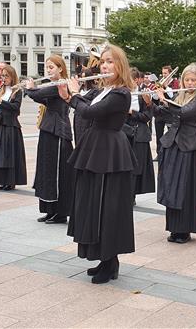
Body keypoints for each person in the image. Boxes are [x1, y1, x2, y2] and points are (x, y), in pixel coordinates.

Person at [59, 45, 136, 284]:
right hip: (96, 148)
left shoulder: (121, 93)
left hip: (109, 151)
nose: (104, 66)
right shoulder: (104, 90)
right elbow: (84, 104)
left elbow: (89, 112)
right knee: (94, 203)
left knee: (108, 205)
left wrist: (73, 95)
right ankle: (106, 261)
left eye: (110, 61)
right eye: (102, 61)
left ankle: (110, 259)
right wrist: (68, 93)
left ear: (120, 65)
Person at [154, 63, 196, 243]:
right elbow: (165, 115)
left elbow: (183, 113)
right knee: (172, 186)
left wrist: (163, 100)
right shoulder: (178, 96)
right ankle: (174, 228)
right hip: (174, 145)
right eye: (187, 79)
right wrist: (151, 102)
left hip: (190, 145)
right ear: (182, 80)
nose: (190, 82)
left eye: (193, 80)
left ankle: (185, 229)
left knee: (185, 188)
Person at [26, 54, 74, 224]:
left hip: (59, 131)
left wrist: (30, 87)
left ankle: (60, 212)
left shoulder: (61, 84)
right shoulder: (52, 84)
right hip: (48, 129)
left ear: (60, 68)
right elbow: (42, 97)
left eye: (51, 67)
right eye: (47, 67)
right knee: (46, 170)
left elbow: (37, 95)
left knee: (57, 173)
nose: (48, 70)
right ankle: (49, 210)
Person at [0, 65, 27, 191]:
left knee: (8, 156)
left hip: (10, 127)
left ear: (12, 76)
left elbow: (15, 108)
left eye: (6, 76)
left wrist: (1, 101)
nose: (3, 78)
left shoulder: (17, 91)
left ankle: (10, 182)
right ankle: (0, 181)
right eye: (2, 76)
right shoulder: (0, 89)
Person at [126, 70, 155, 200]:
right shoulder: (123, 93)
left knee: (137, 167)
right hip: (125, 133)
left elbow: (147, 116)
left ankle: (131, 196)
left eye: (131, 80)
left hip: (140, 135)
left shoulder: (144, 94)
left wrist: (132, 113)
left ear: (137, 80)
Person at [153, 65, 180, 156]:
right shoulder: (160, 82)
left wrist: (166, 87)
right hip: (160, 111)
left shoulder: (175, 82)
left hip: (170, 112)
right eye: (163, 73)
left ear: (170, 73)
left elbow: (174, 96)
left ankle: (171, 153)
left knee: (171, 133)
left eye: (166, 73)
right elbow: (155, 97)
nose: (164, 75)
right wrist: (157, 89)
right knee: (158, 134)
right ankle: (159, 153)